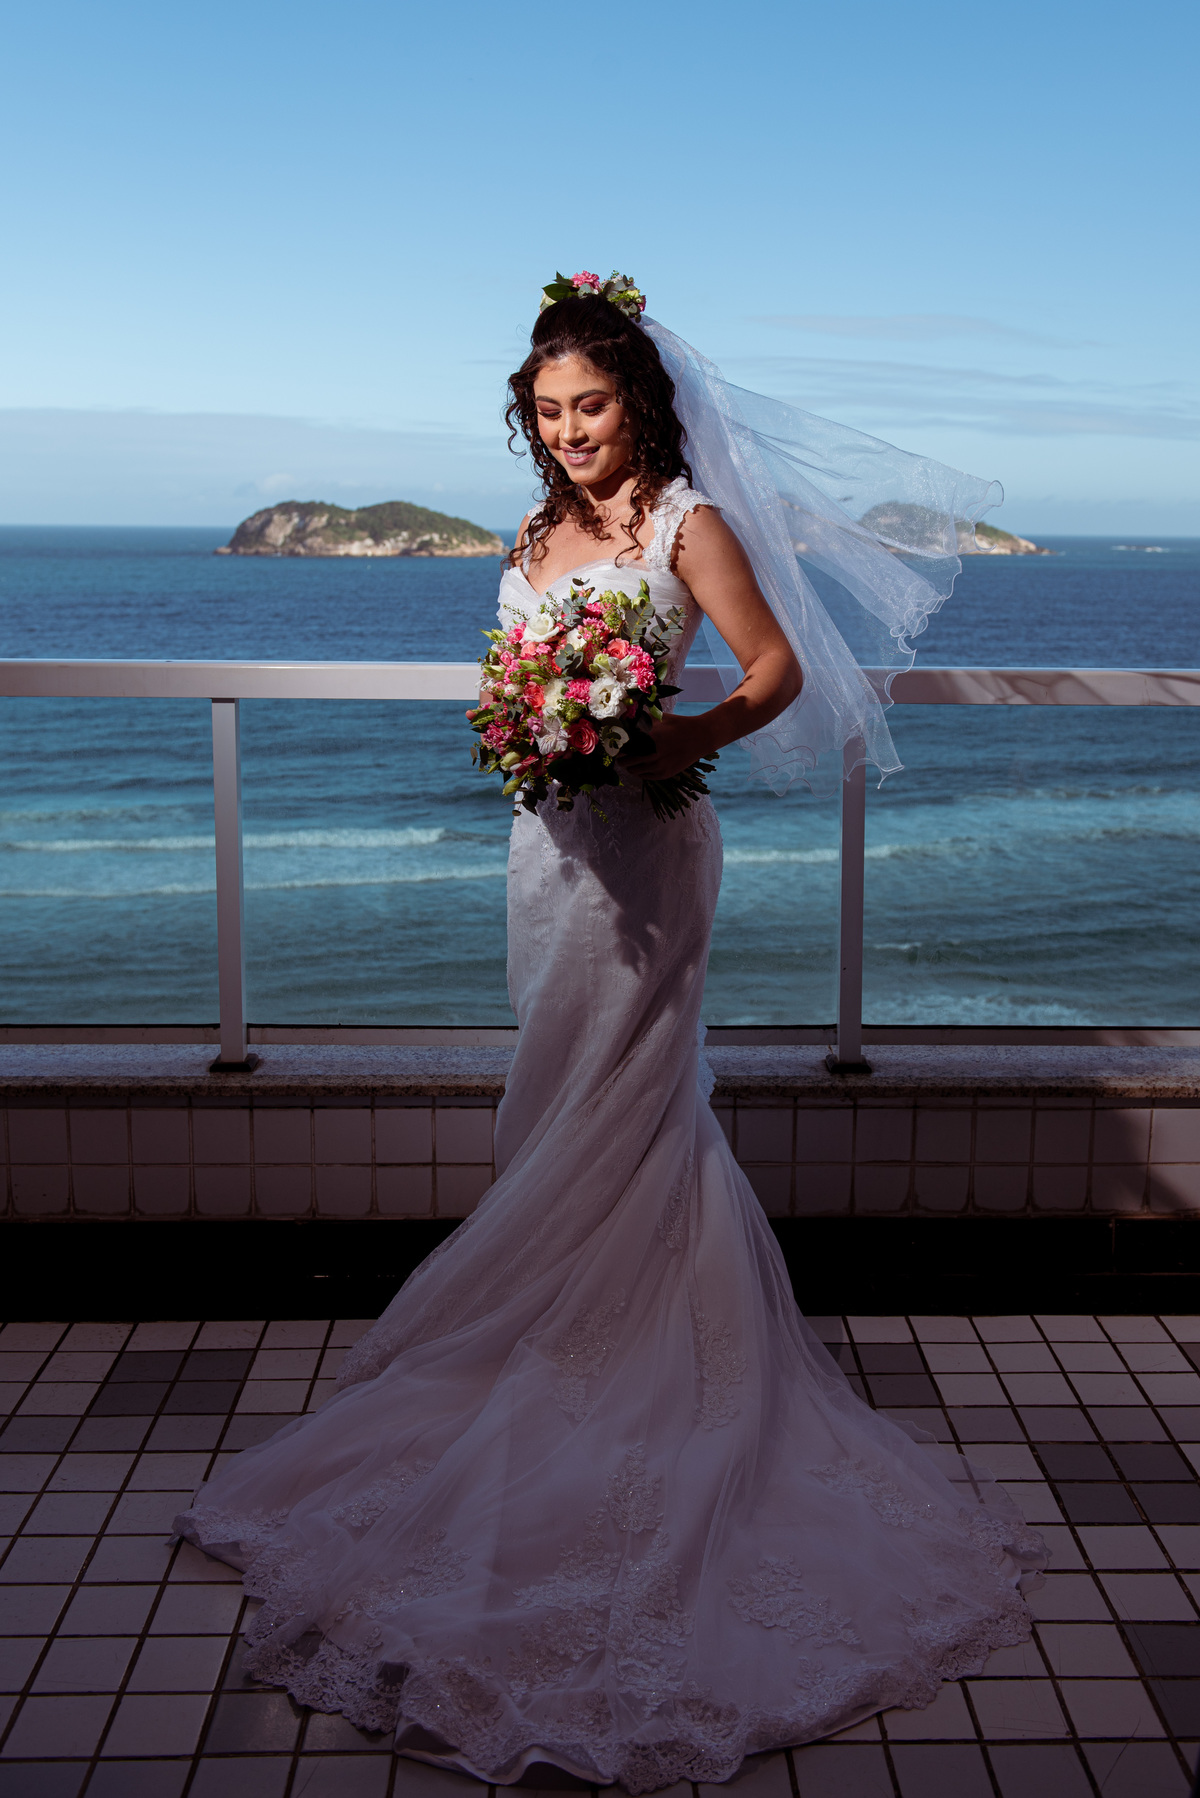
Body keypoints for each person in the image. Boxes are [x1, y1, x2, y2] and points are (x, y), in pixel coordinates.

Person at [177, 273, 1045, 1793]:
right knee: (560, 1087)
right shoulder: (528, 538)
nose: (571, 431)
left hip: (651, 845)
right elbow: (519, 674)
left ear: (638, 401)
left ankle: (646, 1366)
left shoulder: (686, 523)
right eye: (549, 410)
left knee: (641, 1098)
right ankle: (558, 1331)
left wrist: (681, 733)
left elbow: (773, 671)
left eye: (591, 405)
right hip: (549, 851)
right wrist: (532, 714)